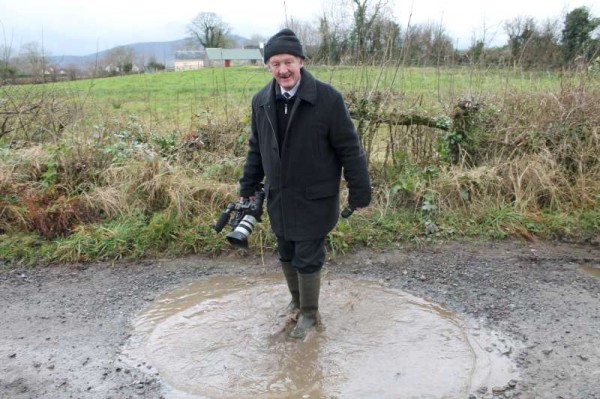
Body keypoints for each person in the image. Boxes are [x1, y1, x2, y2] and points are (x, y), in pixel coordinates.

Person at [238, 28, 371, 339]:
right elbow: (256, 148)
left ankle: (310, 316)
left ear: (300, 60)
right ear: (268, 67)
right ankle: (297, 302)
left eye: (288, 62)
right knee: (285, 249)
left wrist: (360, 190)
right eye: (275, 63)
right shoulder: (261, 101)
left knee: (308, 254)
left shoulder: (327, 98)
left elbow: (349, 148)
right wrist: (248, 185)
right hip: (280, 196)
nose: (283, 70)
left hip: (316, 197)